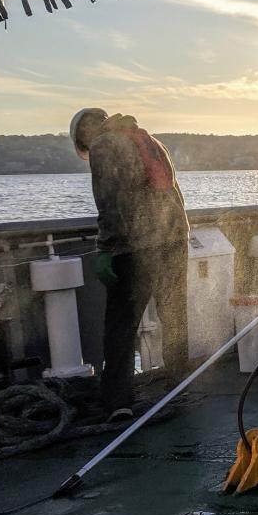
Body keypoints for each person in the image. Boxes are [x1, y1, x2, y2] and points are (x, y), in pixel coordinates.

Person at [69, 108, 190, 420]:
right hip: (174, 239)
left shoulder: (103, 146)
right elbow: (171, 191)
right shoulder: (147, 139)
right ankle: (182, 384)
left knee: (121, 326)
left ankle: (117, 400)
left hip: (134, 246)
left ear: (84, 135)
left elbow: (109, 200)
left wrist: (107, 248)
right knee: (174, 316)